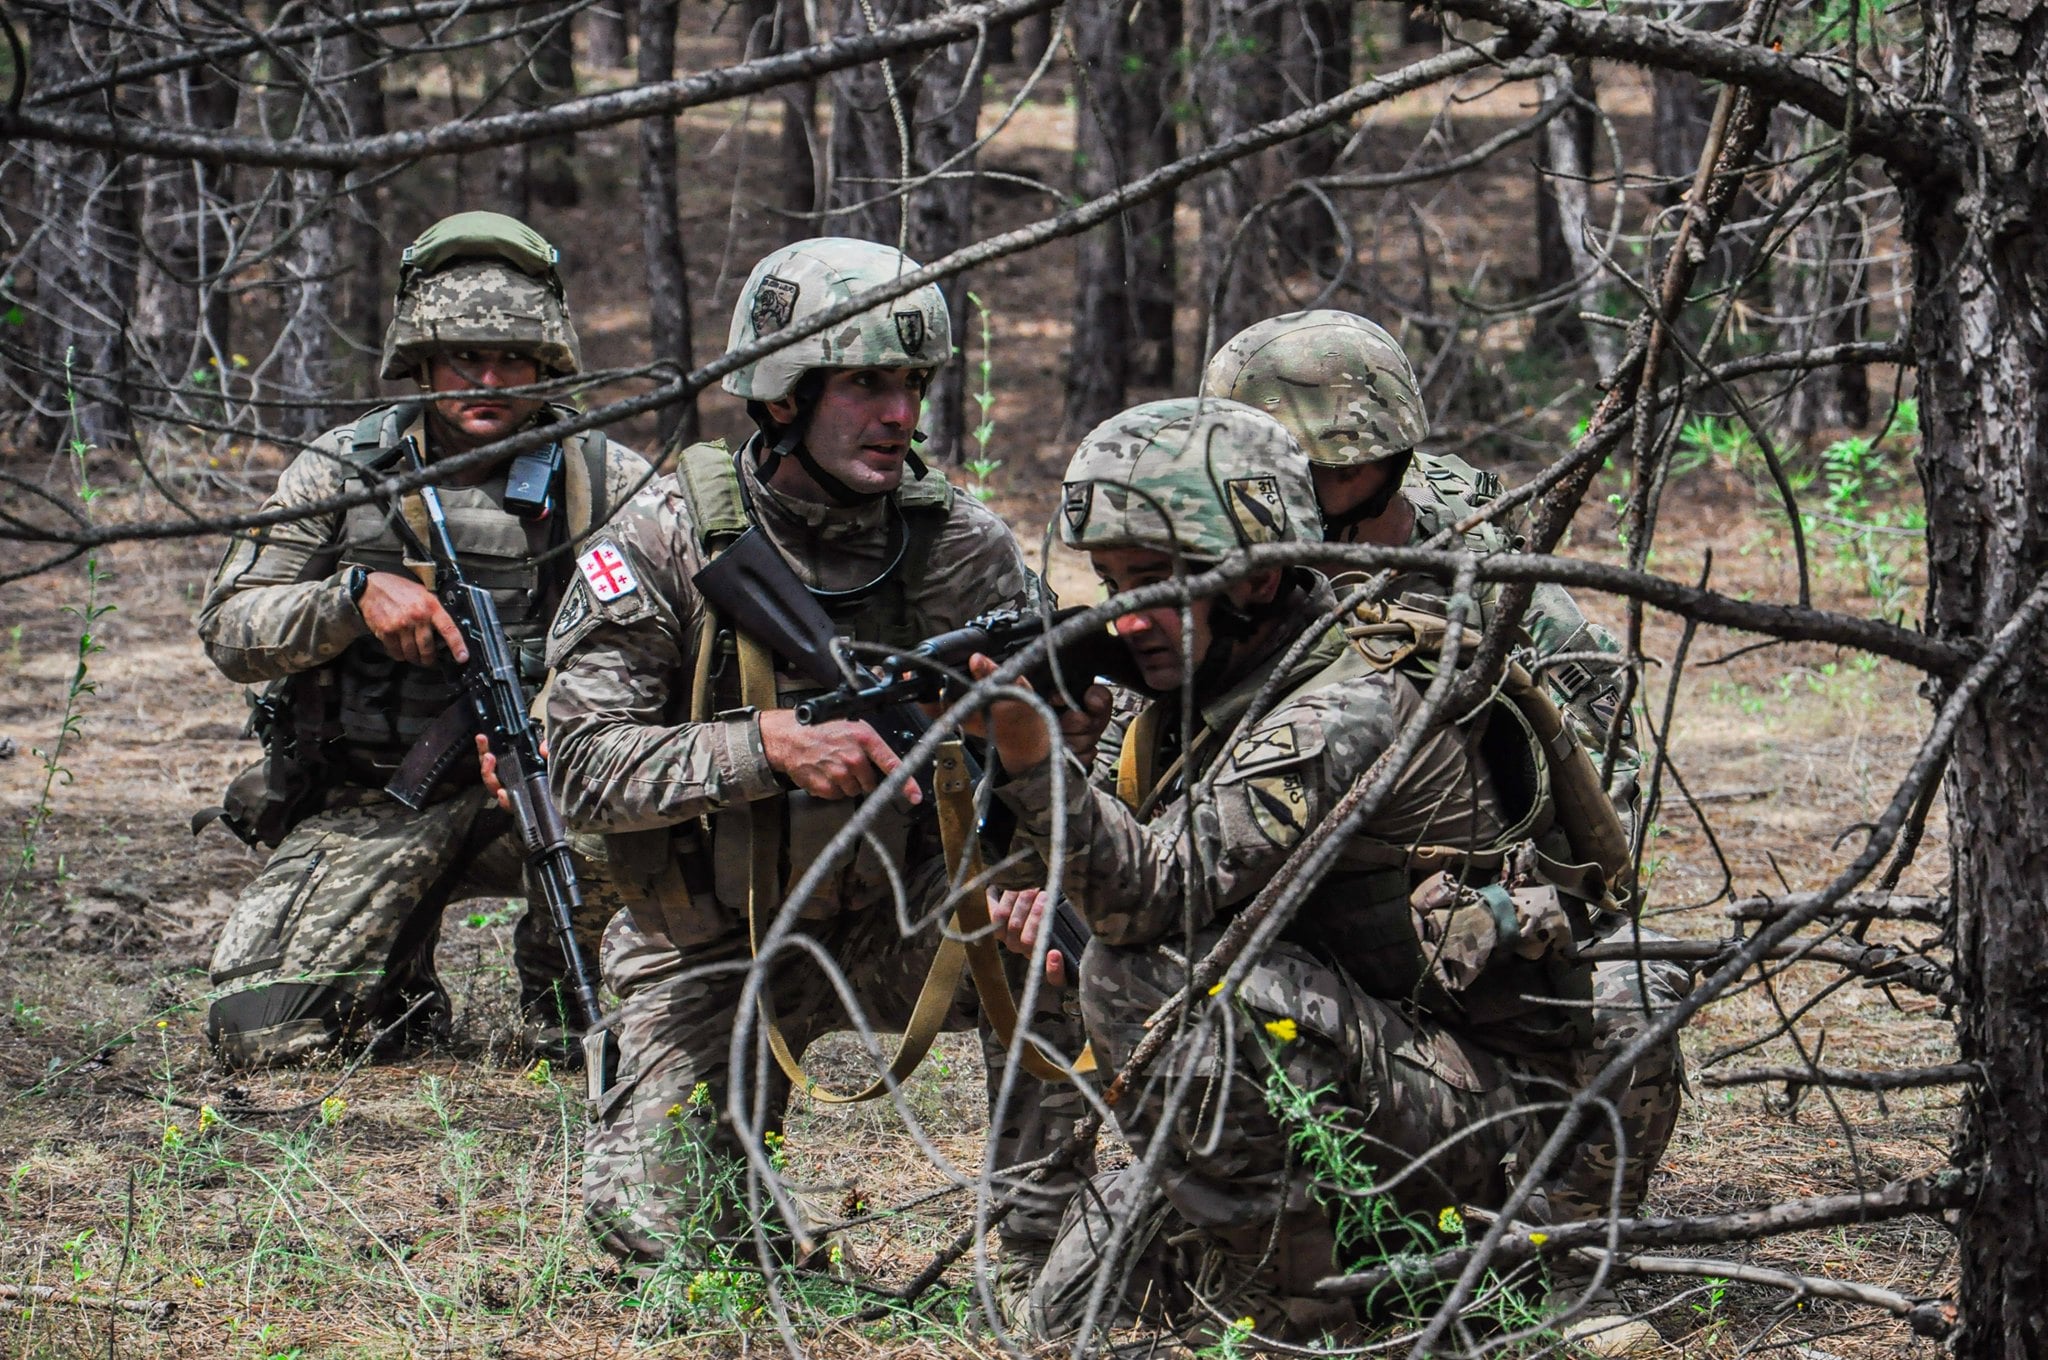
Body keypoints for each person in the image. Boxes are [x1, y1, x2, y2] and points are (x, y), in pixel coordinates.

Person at [974, 397, 1675, 1354]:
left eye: (1160, 581)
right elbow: (1089, 891)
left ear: (1259, 577)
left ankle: (1308, 1327)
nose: (1125, 616)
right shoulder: (1192, 697)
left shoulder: (1345, 701)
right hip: (1350, 1066)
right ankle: (1357, 1266)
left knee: (1148, 976)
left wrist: (1028, 759)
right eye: (1109, 582)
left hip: (1497, 1113)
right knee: (1070, 1320)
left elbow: (1146, 899)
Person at [543, 237, 1091, 1291]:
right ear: (784, 395)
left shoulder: (957, 547)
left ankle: (1037, 1261)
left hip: (897, 920)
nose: (899, 415)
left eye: (913, 385)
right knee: (672, 1256)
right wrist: (768, 746)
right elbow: (576, 762)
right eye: (866, 384)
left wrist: (1014, 734)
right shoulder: (662, 538)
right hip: (713, 942)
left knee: (1039, 930)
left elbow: (1061, 749)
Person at [195, 211, 649, 1070]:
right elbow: (228, 629)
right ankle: (399, 986)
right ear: (420, 361)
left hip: (541, 794)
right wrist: (349, 600)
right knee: (263, 1035)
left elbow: (664, 644)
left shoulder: (605, 481)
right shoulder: (341, 471)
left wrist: (566, 723)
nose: (488, 379)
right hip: (374, 800)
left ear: (547, 361)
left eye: (513, 357)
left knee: (632, 819)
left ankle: (563, 1000)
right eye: (462, 358)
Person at [1202, 309, 1640, 816]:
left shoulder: (1474, 555)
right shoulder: (1205, 549)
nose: (1346, 477)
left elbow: (1602, 752)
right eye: (1322, 467)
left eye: (1359, 464)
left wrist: (1534, 877)